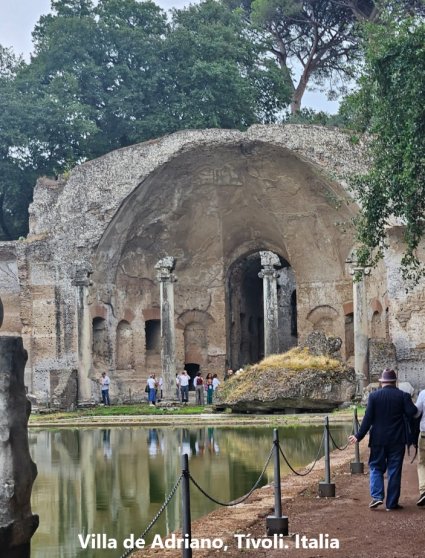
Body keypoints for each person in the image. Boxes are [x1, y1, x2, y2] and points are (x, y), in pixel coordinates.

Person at [349, 368, 417, 511]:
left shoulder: (374, 397)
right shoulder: (403, 395)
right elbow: (412, 412)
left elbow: (367, 420)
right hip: (397, 440)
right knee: (394, 470)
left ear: (382, 382)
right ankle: (392, 504)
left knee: (375, 467)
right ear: (395, 382)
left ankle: (377, 497)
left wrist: (358, 436)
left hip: (378, 440)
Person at [414, 388, 425, 506]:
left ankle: (424, 491)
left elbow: (416, 413)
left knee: (422, 463)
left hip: (424, 433)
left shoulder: (423, 393)